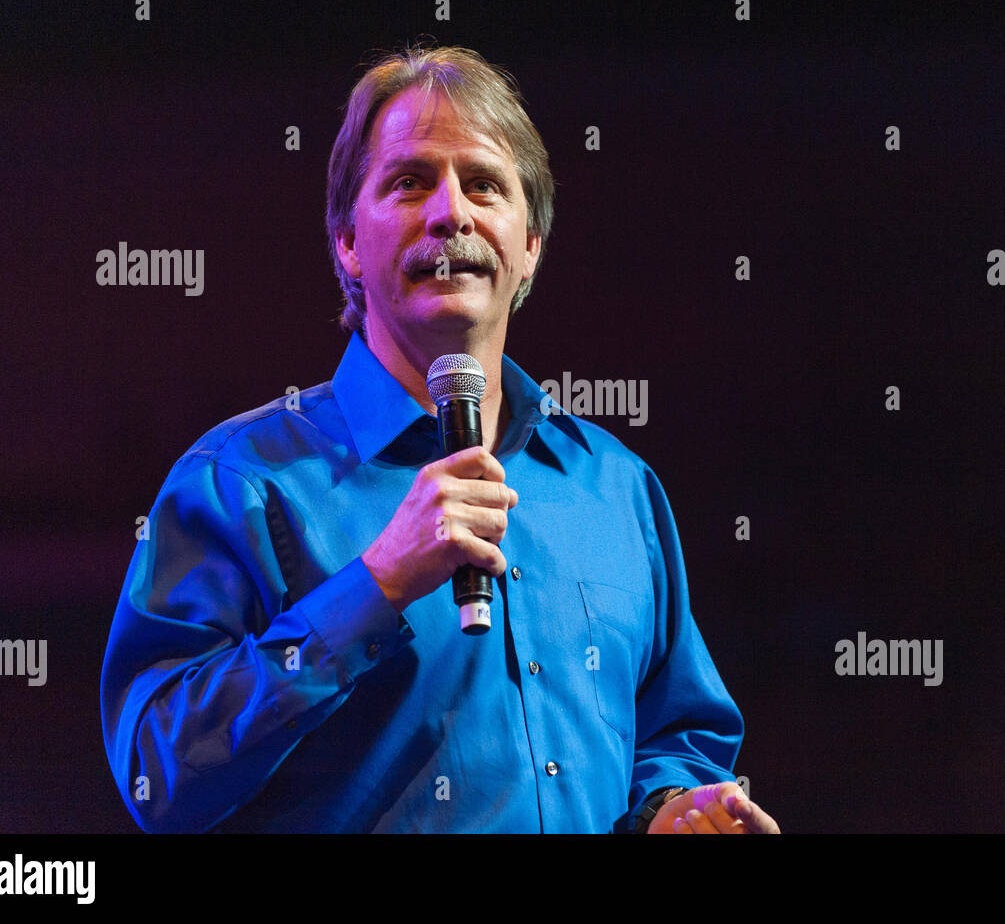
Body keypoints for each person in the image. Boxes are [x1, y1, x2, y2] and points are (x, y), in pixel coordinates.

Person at [100, 44, 779, 834]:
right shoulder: (242, 478)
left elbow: (674, 737)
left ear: (529, 245)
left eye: (485, 184)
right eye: (409, 181)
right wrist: (377, 583)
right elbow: (157, 769)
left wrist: (672, 810)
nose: (450, 211)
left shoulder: (615, 487)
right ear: (348, 241)